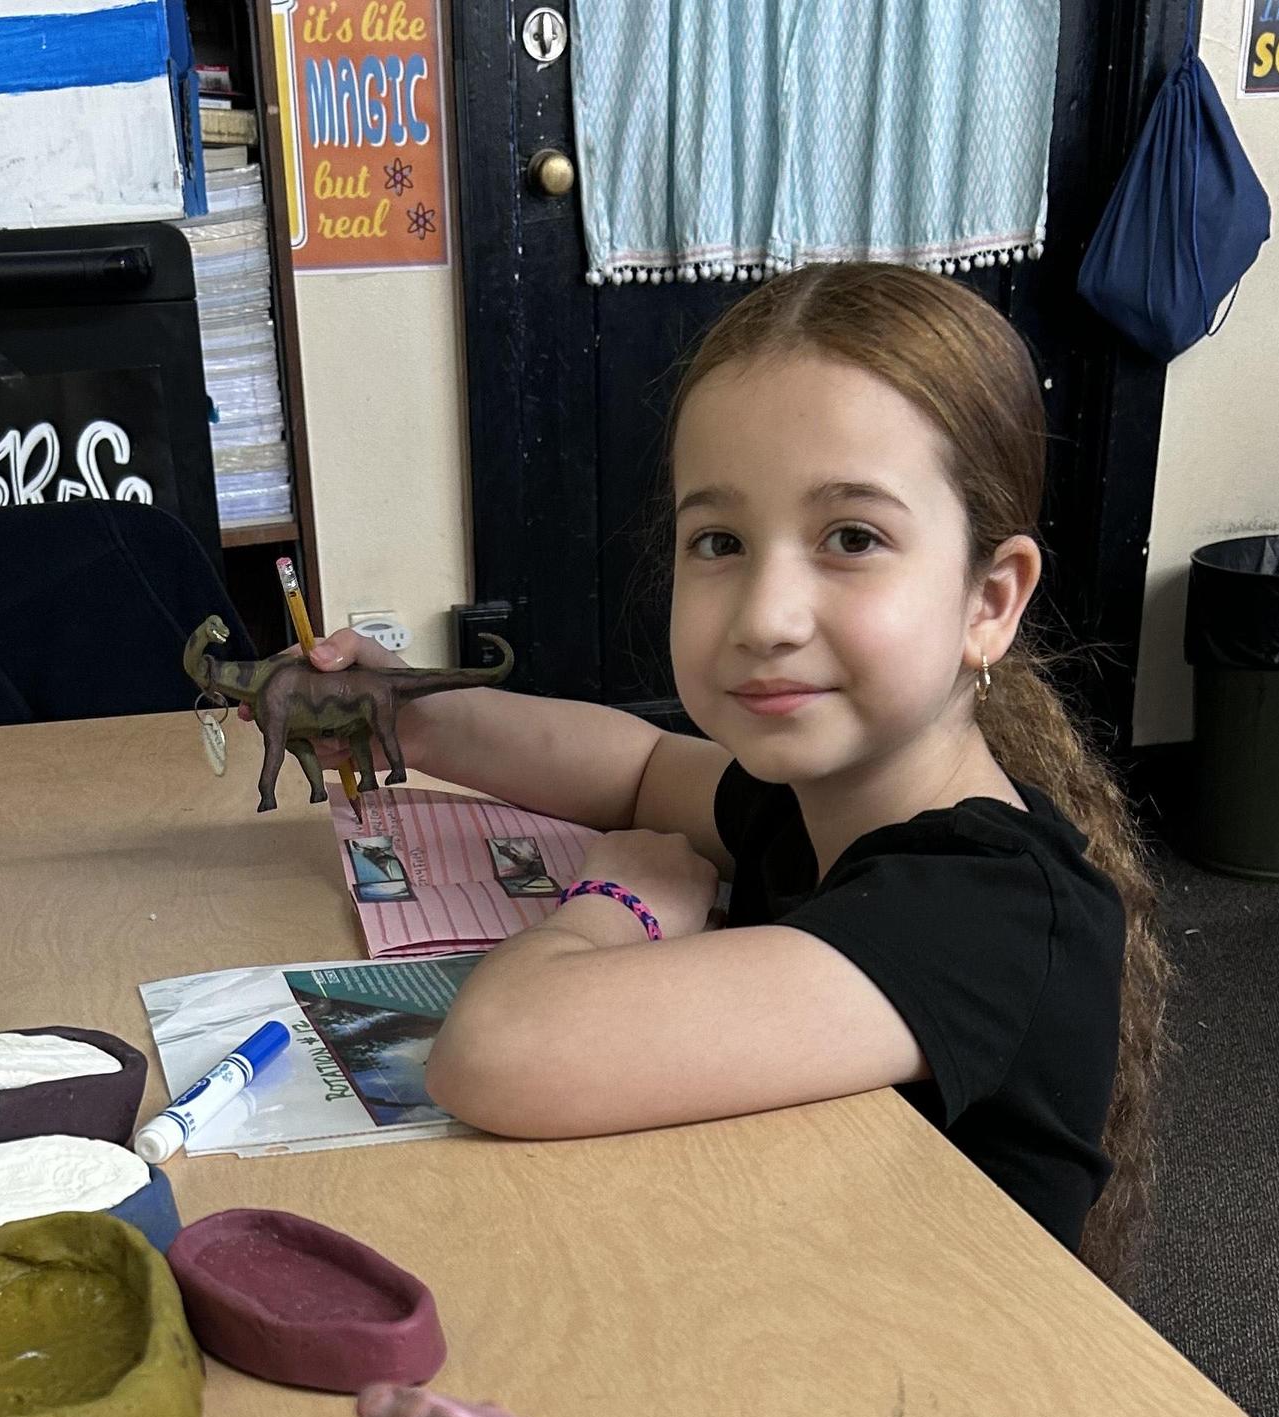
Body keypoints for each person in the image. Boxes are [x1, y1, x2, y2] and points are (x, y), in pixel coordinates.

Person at [304, 263, 1168, 1287]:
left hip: (925, 1364)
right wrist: (404, 717)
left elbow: (497, 1053)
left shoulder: (984, 913)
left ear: (990, 600)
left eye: (852, 538)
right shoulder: (819, 796)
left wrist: (618, 906)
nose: (764, 617)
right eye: (719, 541)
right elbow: (637, 767)